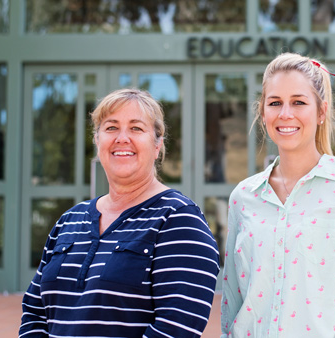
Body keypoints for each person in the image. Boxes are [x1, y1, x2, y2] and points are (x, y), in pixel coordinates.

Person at [19, 88, 220, 338]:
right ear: (97, 140)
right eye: (111, 127)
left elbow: (176, 327)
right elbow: (34, 313)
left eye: (136, 128)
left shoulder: (178, 219)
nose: (122, 138)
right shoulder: (69, 221)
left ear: (157, 145)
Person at [221, 53, 335, 338]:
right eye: (275, 103)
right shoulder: (243, 197)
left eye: (298, 102)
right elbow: (232, 303)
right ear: (263, 113)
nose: (285, 113)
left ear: (321, 111)